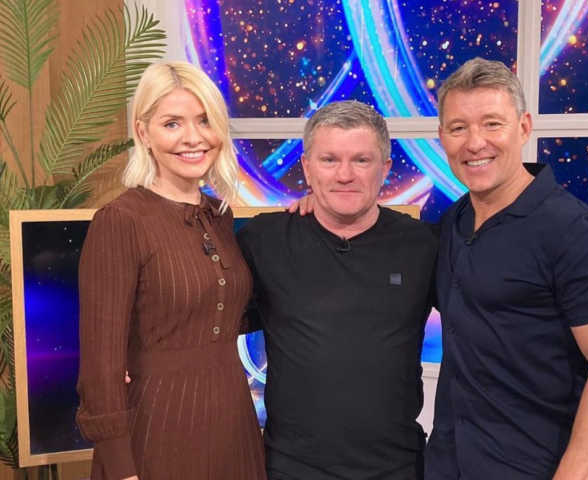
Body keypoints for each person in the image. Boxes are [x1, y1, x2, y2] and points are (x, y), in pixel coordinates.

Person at [424, 58, 588, 480]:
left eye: (492, 124)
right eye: (458, 128)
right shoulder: (453, 221)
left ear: (523, 128)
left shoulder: (574, 231)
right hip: (447, 464)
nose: (475, 143)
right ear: (442, 137)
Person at [77, 62, 267, 480]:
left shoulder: (219, 215)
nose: (193, 137)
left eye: (204, 120)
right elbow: (100, 365)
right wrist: (121, 468)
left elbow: (220, 313)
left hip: (233, 424)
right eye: (172, 123)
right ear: (143, 133)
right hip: (158, 427)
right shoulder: (120, 221)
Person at [236, 100, 438, 480]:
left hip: (398, 468)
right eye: (329, 160)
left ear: (385, 169)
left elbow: (481, 321)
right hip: (290, 469)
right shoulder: (264, 240)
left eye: (361, 160)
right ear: (307, 168)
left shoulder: (424, 245)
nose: (345, 175)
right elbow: (203, 314)